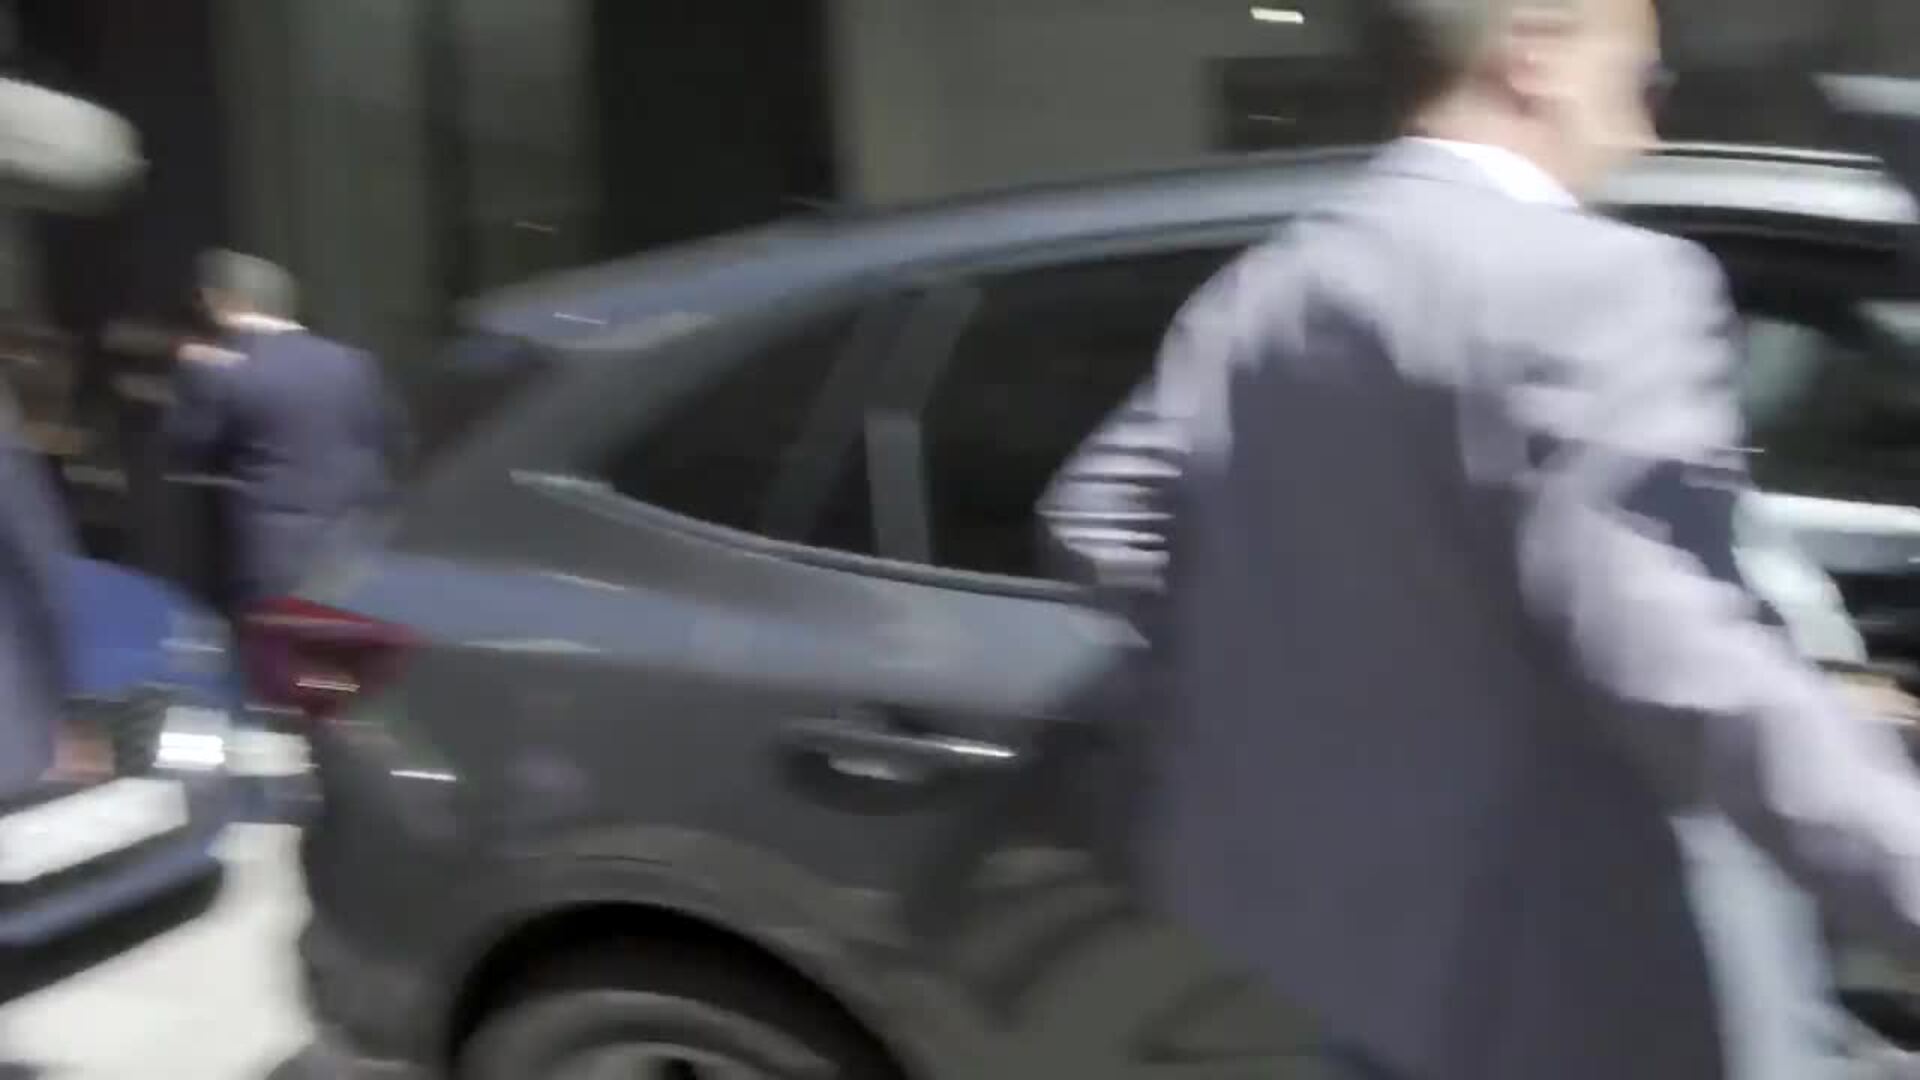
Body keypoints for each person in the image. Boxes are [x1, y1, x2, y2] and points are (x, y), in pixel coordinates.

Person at [1039, 1, 1920, 1078]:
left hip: (1368, 969)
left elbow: (1098, 513)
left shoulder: (1269, 287)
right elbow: (1669, 654)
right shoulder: (1603, 280)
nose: (1644, 132)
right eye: (1641, 84)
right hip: (1592, 982)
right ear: (1534, 57)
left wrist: (1343, 686)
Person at [164, 251, 400, 616]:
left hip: (272, 563)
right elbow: (390, 442)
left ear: (221, 302)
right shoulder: (354, 363)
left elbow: (186, 447)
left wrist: (192, 375)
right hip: (358, 551)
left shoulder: (224, 369)